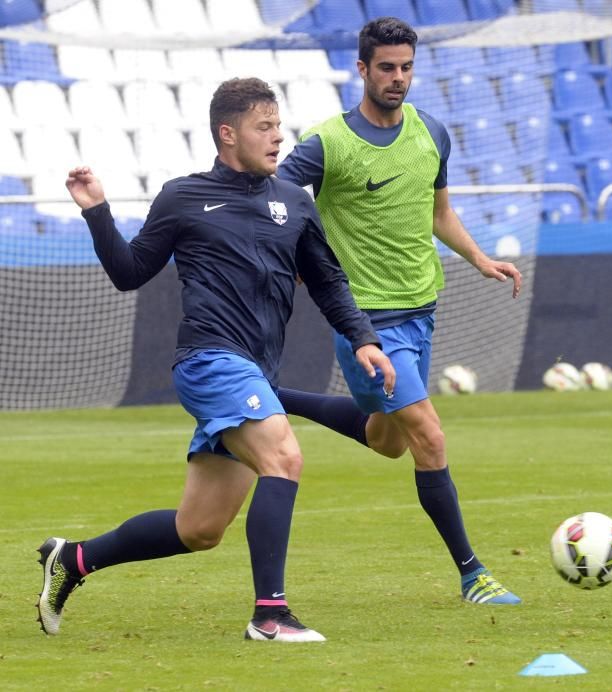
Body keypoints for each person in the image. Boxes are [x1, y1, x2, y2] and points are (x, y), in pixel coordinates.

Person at [37, 77, 395, 642]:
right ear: (228, 134)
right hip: (208, 360)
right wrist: (98, 212)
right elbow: (129, 273)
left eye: (279, 125)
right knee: (284, 458)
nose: (278, 137)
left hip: (255, 373)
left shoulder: (295, 201)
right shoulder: (183, 195)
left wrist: (364, 338)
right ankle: (271, 616)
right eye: (264, 126)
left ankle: (74, 560)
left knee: (199, 529)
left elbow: (327, 281)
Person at [274, 17, 522, 605]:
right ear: (362, 69)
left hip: (421, 311)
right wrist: (304, 261)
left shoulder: (432, 133)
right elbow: (276, 202)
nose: (398, 78)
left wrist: (480, 259)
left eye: (406, 67)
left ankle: (279, 398)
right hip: (365, 324)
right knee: (430, 438)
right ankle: (473, 574)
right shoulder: (327, 143)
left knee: (389, 442)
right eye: (386, 67)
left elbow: (439, 212)